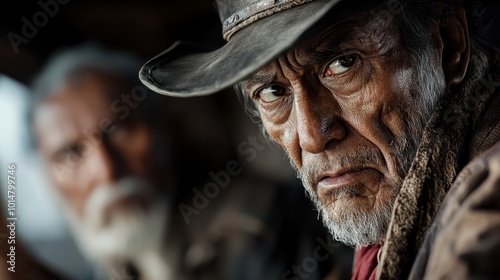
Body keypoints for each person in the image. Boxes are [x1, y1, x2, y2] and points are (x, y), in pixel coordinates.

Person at [138, 0, 500, 279]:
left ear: (450, 46)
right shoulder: (379, 243)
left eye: (343, 64)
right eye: (272, 91)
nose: (311, 136)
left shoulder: (486, 205)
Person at [31, 44, 343, 280]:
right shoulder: (121, 263)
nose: (106, 170)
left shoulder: (258, 222)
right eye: (70, 154)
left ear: (166, 129)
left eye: (121, 130)